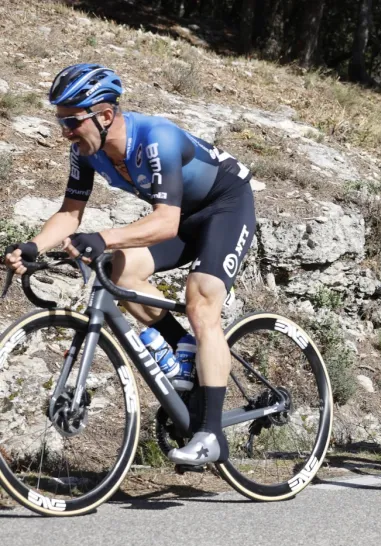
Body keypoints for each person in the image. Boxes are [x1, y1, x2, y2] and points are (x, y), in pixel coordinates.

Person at [2, 63, 256, 465]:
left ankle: (211, 435)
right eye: (60, 121)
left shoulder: (156, 139)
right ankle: (182, 349)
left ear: (105, 115)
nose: (65, 131)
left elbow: (165, 222)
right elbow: (69, 213)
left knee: (201, 301)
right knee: (120, 270)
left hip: (224, 206)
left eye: (71, 121)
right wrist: (34, 246)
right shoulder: (85, 152)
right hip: (182, 216)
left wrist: (103, 238)